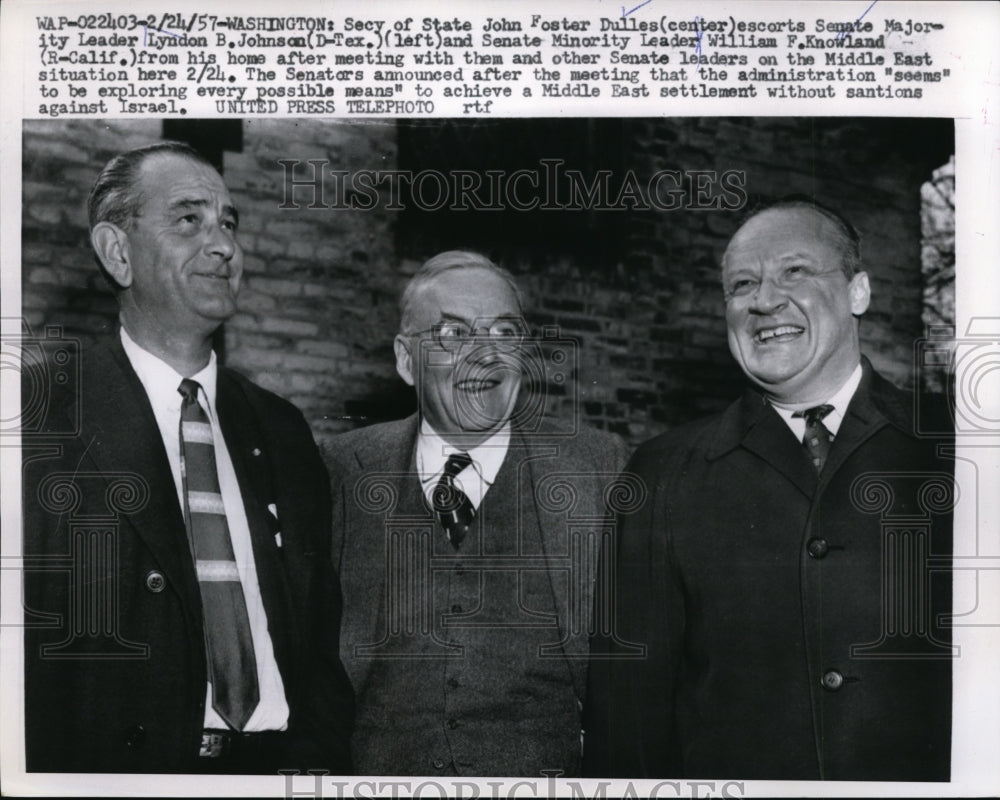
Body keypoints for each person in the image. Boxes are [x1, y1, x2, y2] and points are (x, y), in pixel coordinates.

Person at [583, 199, 953, 781]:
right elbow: (627, 719)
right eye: (742, 284)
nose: (763, 299)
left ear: (859, 292)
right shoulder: (661, 473)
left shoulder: (958, 448)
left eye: (795, 272)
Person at [22, 142, 354, 774]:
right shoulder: (44, 416)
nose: (223, 244)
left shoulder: (281, 429)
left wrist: (316, 757)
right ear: (117, 252)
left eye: (228, 222)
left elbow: (320, 637)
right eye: (189, 219)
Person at [325, 251, 630, 776]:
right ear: (405, 360)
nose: (483, 357)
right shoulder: (342, 469)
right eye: (452, 335)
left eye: (505, 333)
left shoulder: (598, 468)